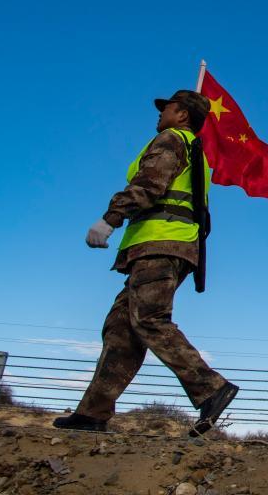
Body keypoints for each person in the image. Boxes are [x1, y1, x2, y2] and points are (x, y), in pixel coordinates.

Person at [53, 90, 238, 435]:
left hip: (161, 242)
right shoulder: (194, 151)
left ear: (182, 115)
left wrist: (110, 218)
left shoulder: (172, 139)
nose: (160, 113)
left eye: (167, 107)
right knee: (121, 329)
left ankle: (211, 387)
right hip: (169, 245)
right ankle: (93, 413)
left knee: (149, 319)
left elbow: (149, 184)